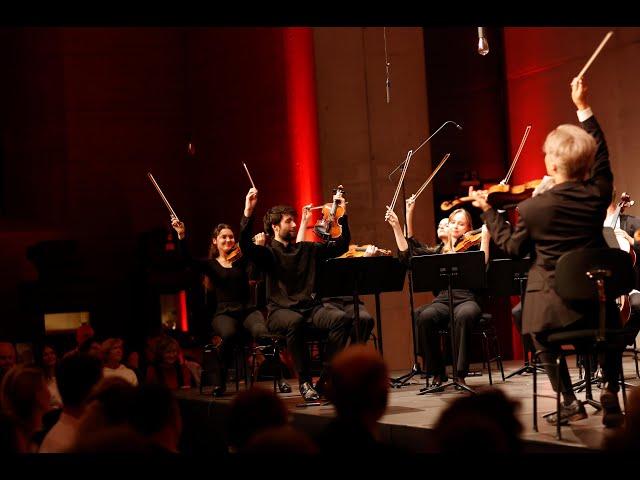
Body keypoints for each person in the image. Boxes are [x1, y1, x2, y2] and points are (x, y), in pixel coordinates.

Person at [468, 76, 623, 427]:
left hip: (553, 313)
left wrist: (489, 212)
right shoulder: (599, 193)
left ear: (552, 166)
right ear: (587, 164)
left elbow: (511, 246)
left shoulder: (535, 209)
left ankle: (568, 400)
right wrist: (583, 106)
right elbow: (603, 154)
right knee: (609, 324)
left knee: (528, 320)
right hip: (598, 308)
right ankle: (611, 386)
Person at [239, 187, 352, 401]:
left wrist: (342, 215)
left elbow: (341, 245)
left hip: (309, 309)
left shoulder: (306, 249)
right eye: (289, 221)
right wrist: (248, 211)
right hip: (280, 312)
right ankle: (304, 382)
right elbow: (245, 246)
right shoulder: (268, 253)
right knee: (295, 321)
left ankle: (325, 377)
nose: (294, 225)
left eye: (294, 221)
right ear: (275, 226)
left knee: (342, 319)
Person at [386, 201, 490, 389]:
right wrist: (396, 226)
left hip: (467, 298)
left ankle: (460, 374)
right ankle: (437, 372)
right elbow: (409, 254)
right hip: (443, 300)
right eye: (453, 222)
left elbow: (482, 264)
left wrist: (486, 237)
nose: (456, 226)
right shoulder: (439, 251)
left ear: (469, 228)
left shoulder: (473, 247)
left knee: (465, 315)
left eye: (461, 223)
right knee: (424, 316)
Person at [171, 219, 277, 395]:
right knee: (229, 334)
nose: (228, 240)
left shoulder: (241, 260)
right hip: (224, 313)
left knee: (262, 332)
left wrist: (258, 249)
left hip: (247, 310)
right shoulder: (210, 265)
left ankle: (278, 378)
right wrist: (181, 236)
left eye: (231, 237)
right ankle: (220, 380)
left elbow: (257, 273)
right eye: (224, 237)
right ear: (215, 241)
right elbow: (187, 261)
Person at [294, 203, 377, 345]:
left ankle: (354, 356)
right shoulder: (317, 250)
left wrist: (365, 261)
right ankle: (335, 361)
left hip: (350, 300)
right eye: (327, 219)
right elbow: (300, 250)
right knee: (339, 319)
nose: (330, 222)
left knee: (365, 319)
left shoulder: (345, 246)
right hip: (326, 302)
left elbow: (345, 241)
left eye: (335, 219)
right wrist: (304, 221)